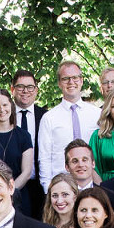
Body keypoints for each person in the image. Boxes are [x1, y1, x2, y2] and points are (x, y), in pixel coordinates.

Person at [37, 60, 94, 196]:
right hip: (61, 189)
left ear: (81, 80)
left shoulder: (96, 114)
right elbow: (44, 157)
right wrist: (48, 190)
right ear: (59, 83)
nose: (71, 82)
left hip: (91, 187)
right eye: (65, 79)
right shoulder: (49, 117)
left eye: (75, 78)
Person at [0, 87, 36, 218]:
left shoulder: (23, 136)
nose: (2, 110)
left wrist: (9, 191)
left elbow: (27, 172)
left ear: (11, 105)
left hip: (18, 194)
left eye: (5, 105)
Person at [11, 69, 47, 218]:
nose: (25, 91)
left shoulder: (45, 116)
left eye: (30, 87)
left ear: (36, 90)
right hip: (14, 184)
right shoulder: (5, 114)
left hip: (39, 184)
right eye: (20, 87)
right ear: (12, 89)